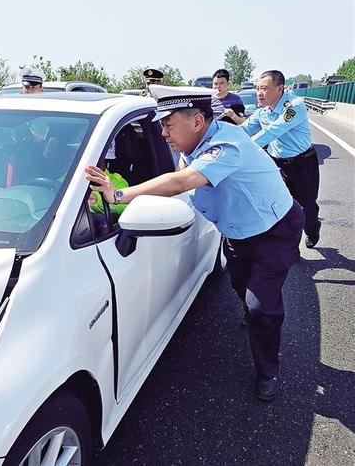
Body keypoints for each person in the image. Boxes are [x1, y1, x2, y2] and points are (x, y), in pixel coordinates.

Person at [85, 85, 304, 401]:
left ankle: (268, 370)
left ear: (198, 121)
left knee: (261, 307)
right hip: (238, 234)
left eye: (168, 125)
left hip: (274, 231)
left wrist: (117, 194)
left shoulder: (226, 145)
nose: (163, 134)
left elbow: (181, 182)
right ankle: (255, 319)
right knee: (240, 285)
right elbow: (181, 173)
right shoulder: (193, 145)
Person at [241, 70, 321, 248]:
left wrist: (242, 149)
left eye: (264, 88)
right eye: (258, 88)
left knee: (307, 205)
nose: (259, 93)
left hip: (302, 163)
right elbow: (244, 130)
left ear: (280, 89)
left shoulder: (294, 106)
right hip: (276, 163)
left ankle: (313, 229)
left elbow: (272, 132)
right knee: (279, 205)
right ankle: (289, 248)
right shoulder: (262, 111)